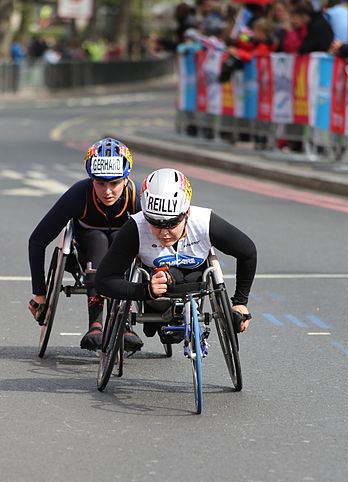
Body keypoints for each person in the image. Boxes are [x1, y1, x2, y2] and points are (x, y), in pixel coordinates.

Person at [95, 168, 256, 345]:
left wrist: (240, 302)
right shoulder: (136, 227)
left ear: (186, 214)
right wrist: (145, 290)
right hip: (155, 286)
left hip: (195, 278)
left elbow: (248, 252)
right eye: (155, 223)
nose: (164, 233)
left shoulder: (204, 222)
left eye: (171, 224)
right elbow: (103, 281)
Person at [28, 137, 143, 353]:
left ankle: (125, 322)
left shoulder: (137, 196)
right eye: (100, 183)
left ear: (126, 179)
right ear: (91, 180)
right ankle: (96, 324)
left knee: (123, 237)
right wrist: (40, 294)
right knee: (98, 238)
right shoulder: (79, 194)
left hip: (124, 252)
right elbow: (37, 240)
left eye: (114, 183)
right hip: (87, 251)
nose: (107, 191)